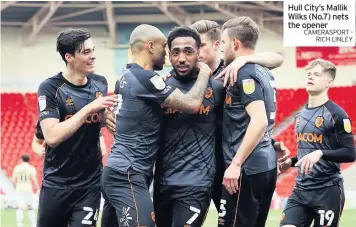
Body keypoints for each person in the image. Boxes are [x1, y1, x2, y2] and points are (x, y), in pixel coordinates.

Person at [100, 24, 212, 227]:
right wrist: (204, 71)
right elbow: (192, 104)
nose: (168, 55)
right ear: (150, 46)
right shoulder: (147, 78)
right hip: (128, 173)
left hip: (118, 171)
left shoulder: (124, 76)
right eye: (164, 47)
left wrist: (105, 115)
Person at [189, 19, 286, 211]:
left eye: (201, 46)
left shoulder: (233, 69)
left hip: (228, 163)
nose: (195, 52)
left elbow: (278, 58)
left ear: (218, 45)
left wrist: (245, 59)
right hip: (198, 166)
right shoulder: (187, 75)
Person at [36, 28, 117, 227]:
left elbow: (99, 119)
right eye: (86, 52)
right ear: (69, 57)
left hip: (90, 183)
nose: (93, 56)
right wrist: (90, 109)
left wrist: (107, 119)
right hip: (57, 183)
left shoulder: (100, 83)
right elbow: (52, 136)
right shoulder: (50, 88)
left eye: (93, 50)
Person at [152, 26, 225, 227]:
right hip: (163, 183)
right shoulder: (159, 87)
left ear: (198, 53)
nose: (182, 58)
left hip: (197, 183)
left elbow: (234, 127)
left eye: (188, 51)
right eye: (176, 52)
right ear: (169, 55)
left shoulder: (217, 88)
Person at [278, 59, 356, 227]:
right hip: (301, 189)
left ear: (329, 81)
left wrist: (321, 153)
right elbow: (307, 152)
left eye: (317, 74)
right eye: (309, 74)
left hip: (328, 191)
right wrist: (290, 162)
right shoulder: (300, 114)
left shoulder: (337, 114)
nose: (311, 77)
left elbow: (350, 153)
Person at [219, 17, 278, 227]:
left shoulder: (243, 72)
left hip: (246, 168)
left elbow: (259, 120)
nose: (221, 49)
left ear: (235, 43)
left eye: (223, 43)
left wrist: (235, 164)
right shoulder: (264, 70)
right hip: (265, 165)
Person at [12, 154, 39, 227]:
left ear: (21, 159)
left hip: (19, 188)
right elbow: (34, 179)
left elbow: (13, 180)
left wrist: (15, 187)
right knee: (30, 206)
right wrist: (37, 188)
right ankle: (33, 223)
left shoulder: (17, 168)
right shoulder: (31, 168)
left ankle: (19, 224)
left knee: (19, 206)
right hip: (28, 189)